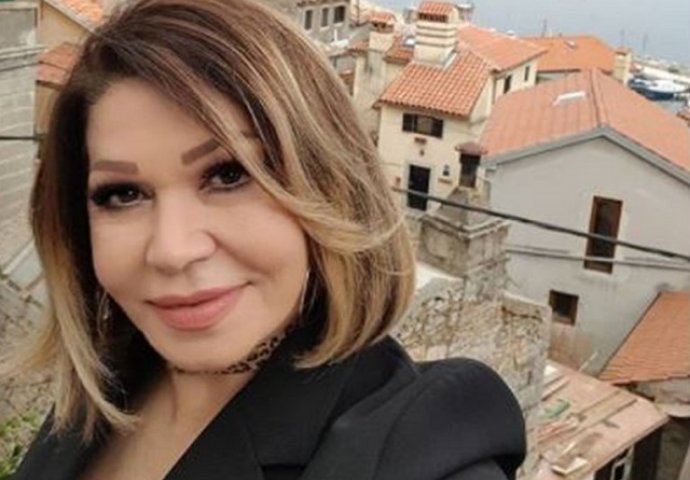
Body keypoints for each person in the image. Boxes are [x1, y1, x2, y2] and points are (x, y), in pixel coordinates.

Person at [6, 0, 525, 478]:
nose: (172, 250)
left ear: (330, 185)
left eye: (228, 175)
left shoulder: (414, 444)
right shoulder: (105, 386)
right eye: (122, 194)